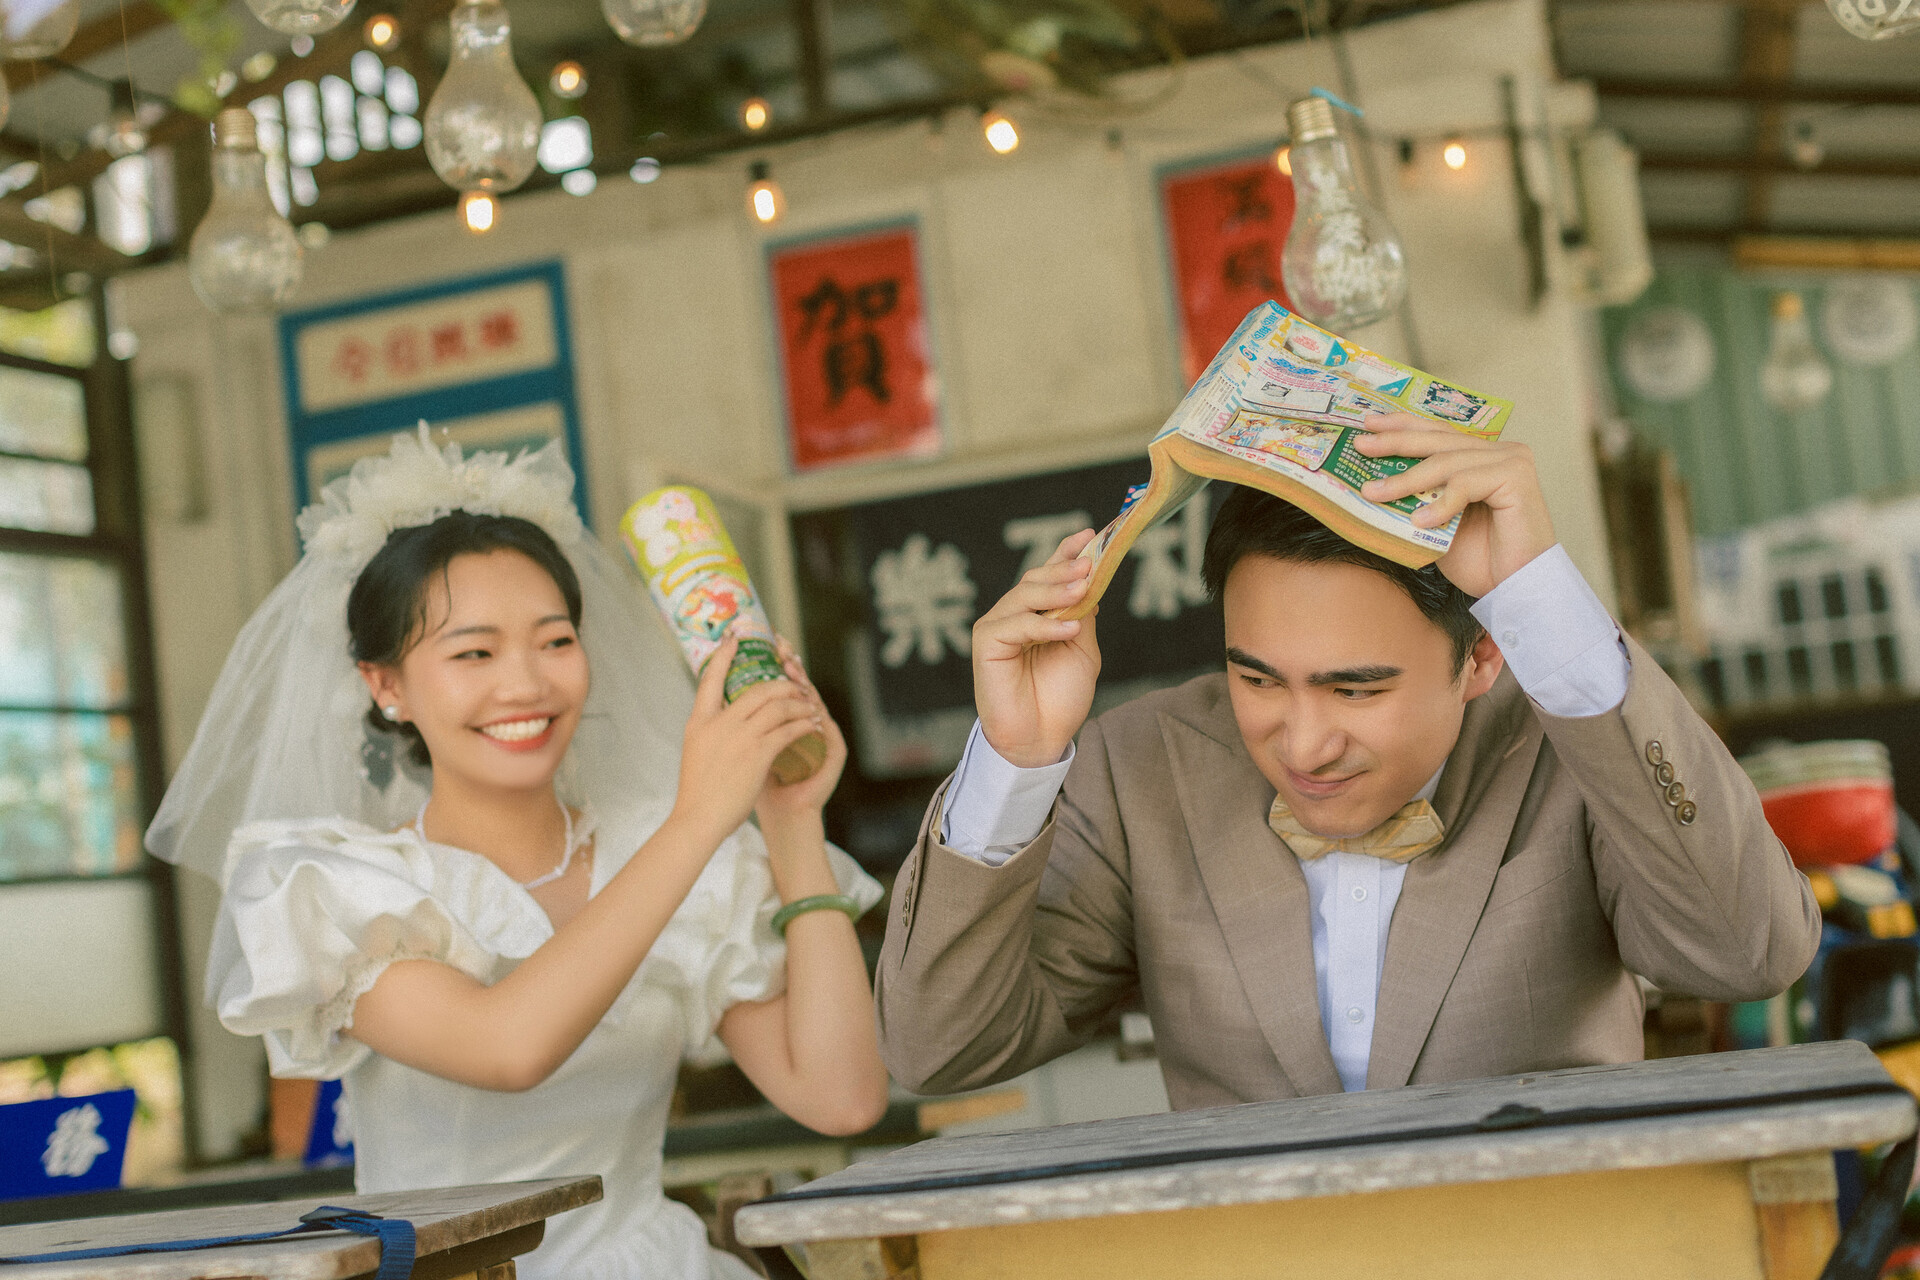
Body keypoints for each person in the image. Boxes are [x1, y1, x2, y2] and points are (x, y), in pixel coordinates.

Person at [876, 413, 1819, 1108]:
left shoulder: (1574, 744)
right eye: (1257, 679)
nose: (1303, 743)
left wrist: (1540, 596)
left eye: (1356, 690)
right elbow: (938, 1051)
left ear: (1481, 658)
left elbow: (1750, 951)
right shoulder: (1142, 768)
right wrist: (1015, 762)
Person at [147, 429, 886, 1279]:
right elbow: (508, 1048)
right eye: (474, 652)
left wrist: (791, 821)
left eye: (555, 640)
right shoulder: (344, 893)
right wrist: (698, 819)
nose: (526, 684)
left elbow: (842, 1099)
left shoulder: (672, 858)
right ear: (385, 685)